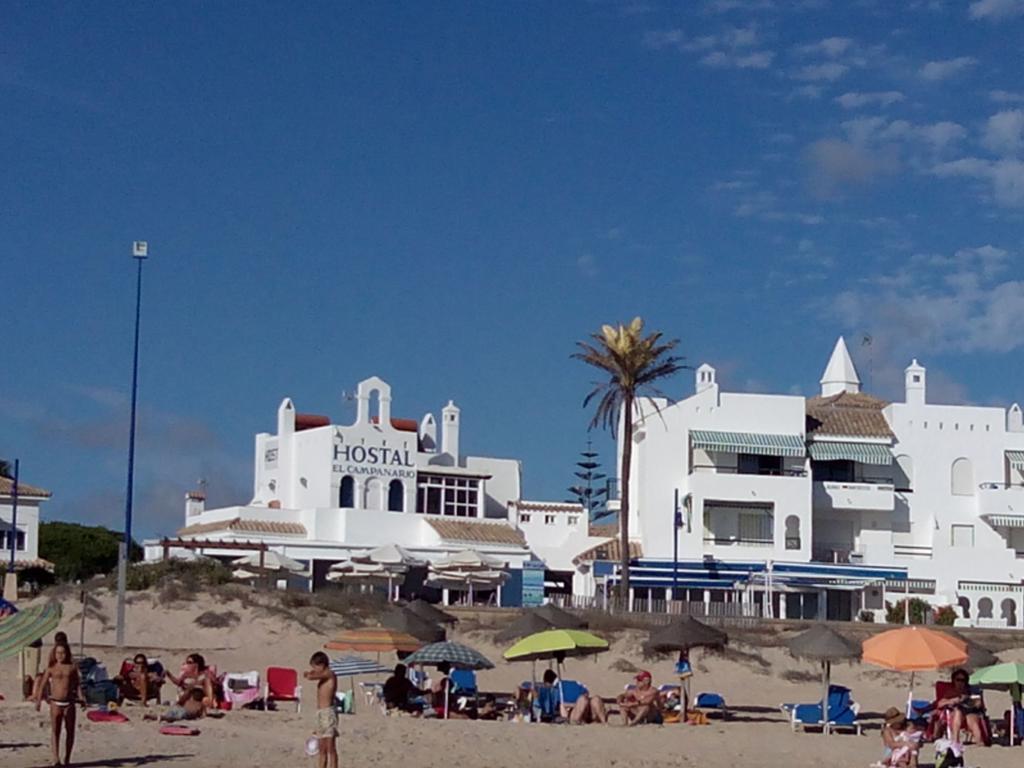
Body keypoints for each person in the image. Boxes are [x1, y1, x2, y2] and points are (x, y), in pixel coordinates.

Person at [34, 642, 85, 767]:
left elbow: (77, 684)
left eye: (62, 652)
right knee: (55, 731)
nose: (60, 655)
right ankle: (56, 757)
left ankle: (67, 757)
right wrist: (39, 700)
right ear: (54, 654)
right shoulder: (51, 668)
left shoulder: (72, 667)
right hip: (55, 703)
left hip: (69, 703)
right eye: (58, 653)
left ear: (66, 653)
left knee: (70, 731)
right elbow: (42, 683)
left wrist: (82, 698)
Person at [935, 668, 987, 745]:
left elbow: (978, 703)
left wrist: (967, 699)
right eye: (958, 680)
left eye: (963, 680)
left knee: (971, 720)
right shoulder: (951, 691)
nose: (960, 682)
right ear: (954, 680)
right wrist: (952, 700)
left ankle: (979, 742)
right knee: (958, 712)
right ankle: (956, 741)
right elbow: (940, 704)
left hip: (971, 710)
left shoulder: (972, 689)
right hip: (957, 712)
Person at [305, 651, 338, 768]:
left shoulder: (329, 674)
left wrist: (309, 674)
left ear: (322, 665)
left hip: (328, 713)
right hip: (320, 714)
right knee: (322, 749)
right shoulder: (323, 676)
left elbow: (311, 676)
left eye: (315, 666)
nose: (314, 669)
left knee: (331, 749)